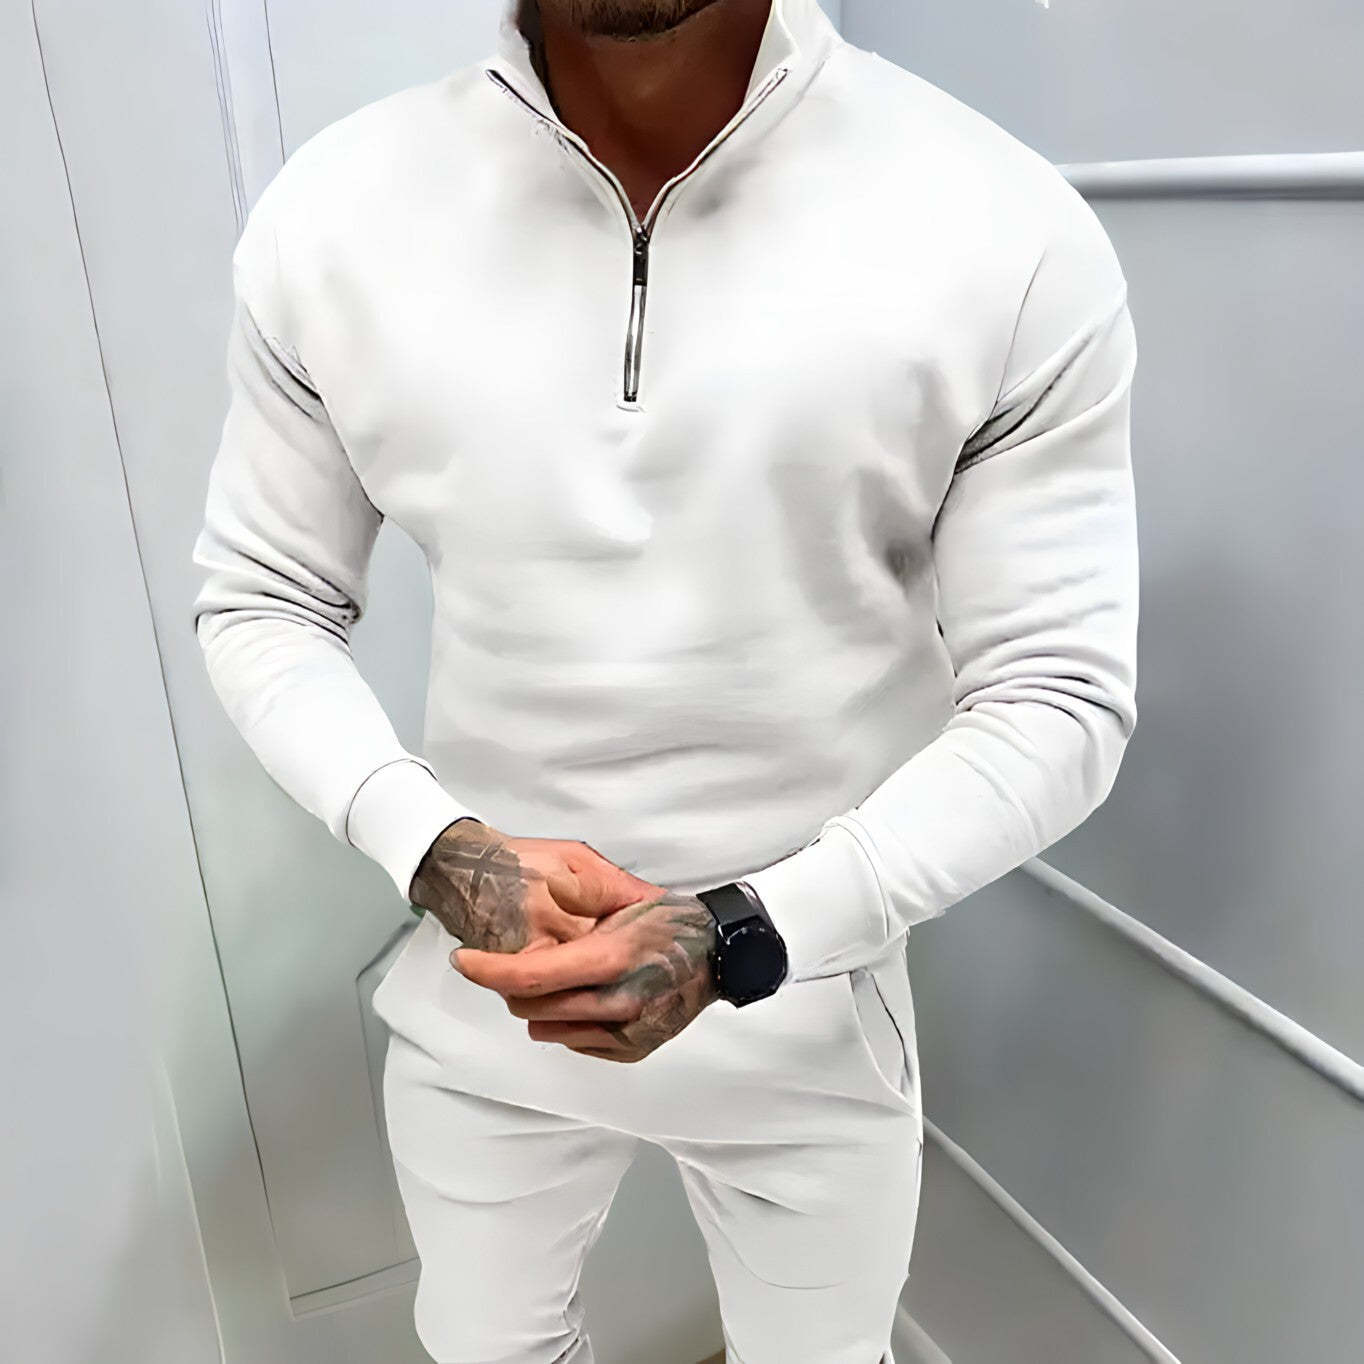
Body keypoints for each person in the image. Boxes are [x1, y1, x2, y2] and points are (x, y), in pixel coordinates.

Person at [190, 0, 1140, 1358]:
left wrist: (749, 931)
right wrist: (444, 854)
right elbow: (264, 598)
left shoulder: (1006, 231)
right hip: (483, 986)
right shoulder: (336, 215)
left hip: (813, 1007)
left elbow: (1058, 694)